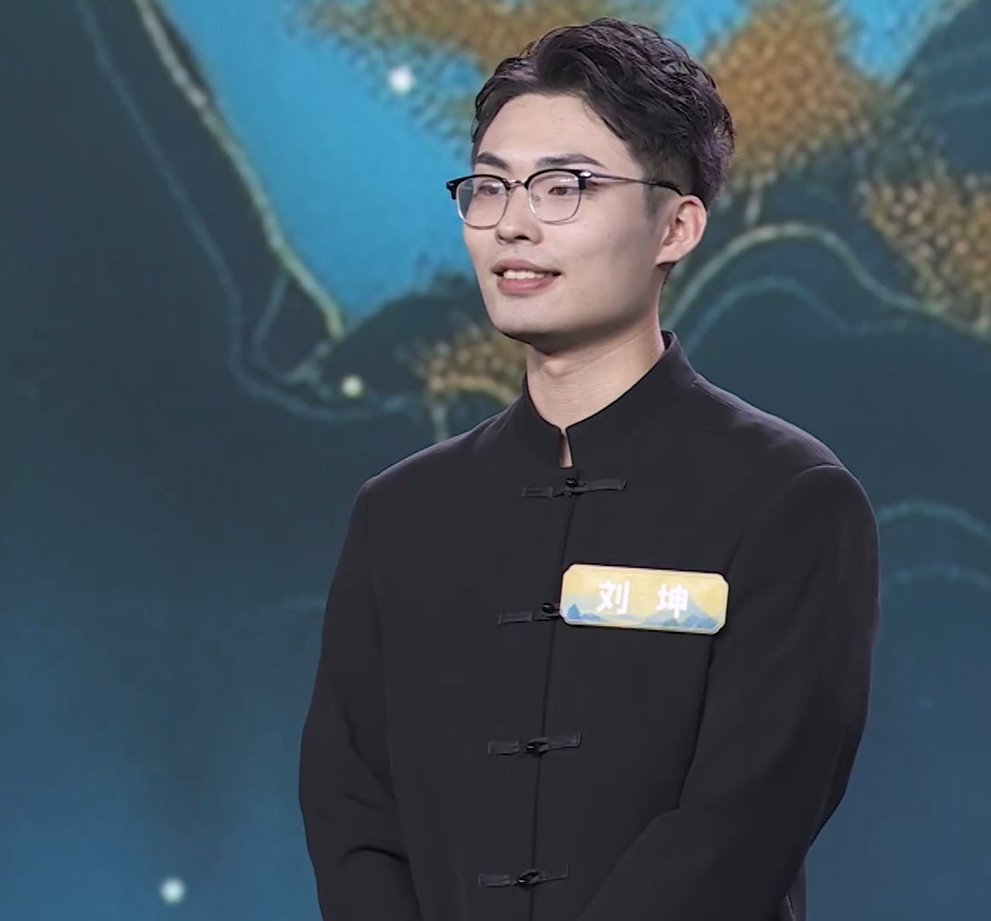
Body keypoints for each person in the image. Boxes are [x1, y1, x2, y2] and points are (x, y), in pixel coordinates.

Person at [297, 17, 880, 921]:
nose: (513, 223)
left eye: (563, 187)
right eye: (489, 187)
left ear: (676, 225)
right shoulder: (400, 516)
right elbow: (352, 810)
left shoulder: (789, 501)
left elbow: (745, 821)